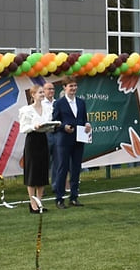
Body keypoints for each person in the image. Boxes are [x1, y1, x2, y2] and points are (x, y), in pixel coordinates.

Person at [17, 85, 55, 213]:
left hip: (43, 140)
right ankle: (32, 203)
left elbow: (49, 122)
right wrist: (34, 126)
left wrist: (50, 126)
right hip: (32, 141)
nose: (42, 94)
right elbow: (23, 128)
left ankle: (39, 202)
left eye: (43, 92)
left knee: (42, 172)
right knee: (32, 172)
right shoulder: (26, 110)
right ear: (33, 95)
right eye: (40, 92)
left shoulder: (47, 108)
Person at [52, 79, 89, 208]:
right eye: (70, 86)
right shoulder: (59, 103)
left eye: (75, 85)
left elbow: (84, 119)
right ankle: (59, 198)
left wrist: (88, 125)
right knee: (62, 168)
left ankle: (74, 197)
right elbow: (55, 122)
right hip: (64, 140)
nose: (73, 88)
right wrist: (63, 127)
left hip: (79, 139)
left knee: (76, 168)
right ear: (64, 87)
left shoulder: (81, 102)